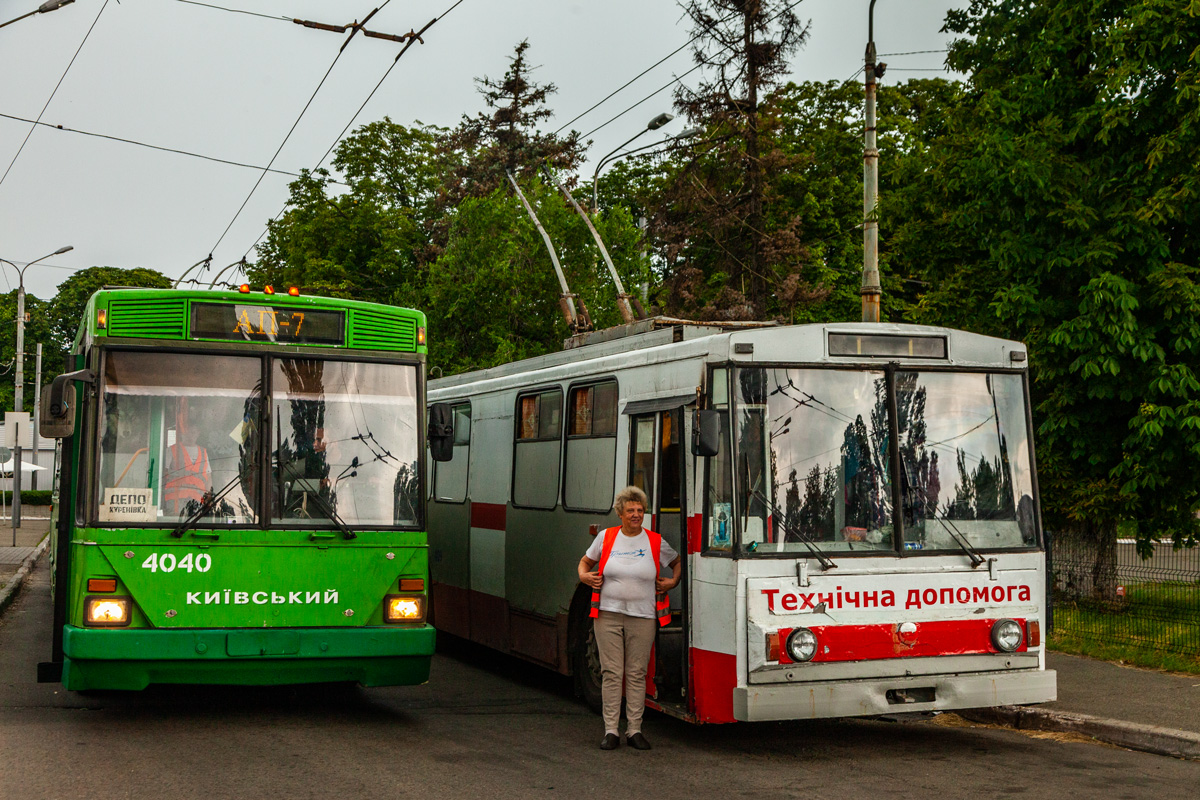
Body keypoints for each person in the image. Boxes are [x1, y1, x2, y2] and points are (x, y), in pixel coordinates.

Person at [577, 485, 681, 751]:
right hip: (607, 615)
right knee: (612, 673)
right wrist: (584, 576)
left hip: (643, 616)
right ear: (620, 514)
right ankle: (611, 730)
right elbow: (585, 563)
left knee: (636, 674)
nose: (636, 515)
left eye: (640, 510)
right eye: (631, 510)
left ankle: (634, 730)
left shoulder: (655, 541)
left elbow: (677, 562)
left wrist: (673, 581)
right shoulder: (606, 537)